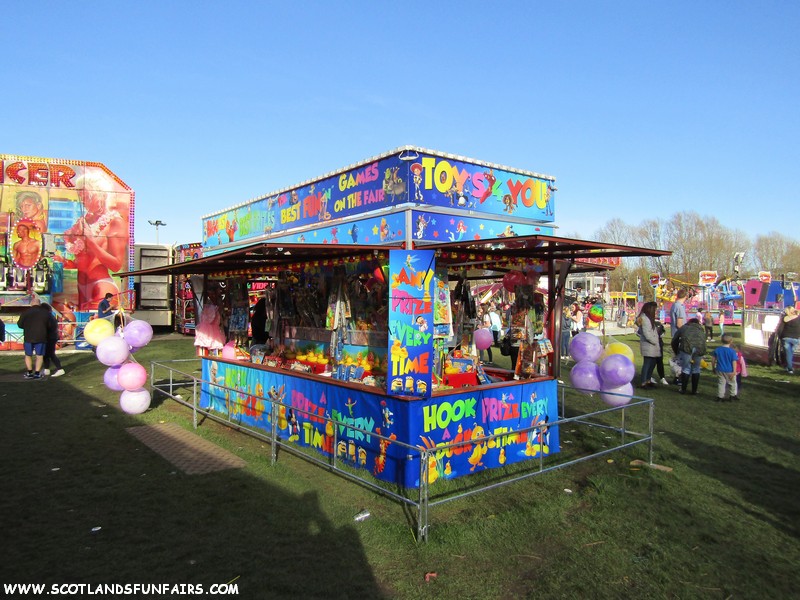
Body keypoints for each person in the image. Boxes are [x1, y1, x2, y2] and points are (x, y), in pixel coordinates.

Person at [63, 173, 128, 310]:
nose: (83, 202)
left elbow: (116, 265)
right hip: (81, 286)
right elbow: (81, 256)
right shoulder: (83, 221)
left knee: (97, 327)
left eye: (86, 197)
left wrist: (91, 242)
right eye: (81, 198)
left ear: (101, 194)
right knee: (81, 327)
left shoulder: (114, 222)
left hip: (101, 285)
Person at [671, 317, 706, 395]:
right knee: (696, 369)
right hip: (699, 348)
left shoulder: (684, 327)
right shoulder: (701, 329)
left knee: (686, 368)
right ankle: (694, 390)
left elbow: (674, 340)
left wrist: (676, 351)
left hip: (687, 348)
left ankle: (683, 389)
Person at [18, 296, 50, 379]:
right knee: (39, 355)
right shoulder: (45, 313)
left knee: (28, 355)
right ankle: (37, 373)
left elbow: (20, 325)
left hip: (28, 337)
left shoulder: (25, 313)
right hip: (41, 337)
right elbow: (49, 325)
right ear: (39, 304)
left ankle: (29, 372)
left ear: (31, 304)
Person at [636, 301, 661, 389]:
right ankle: (643, 382)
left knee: (652, 363)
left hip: (651, 345)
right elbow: (647, 334)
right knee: (647, 363)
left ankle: (648, 380)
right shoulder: (645, 319)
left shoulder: (648, 318)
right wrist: (655, 341)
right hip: (649, 344)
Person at [40, 303, 65, 377]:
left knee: (50, 354)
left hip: (49, 337)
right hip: (52, 337)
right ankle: (46, 369)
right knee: (46, 354)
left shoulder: (48, 317)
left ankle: (60, 369)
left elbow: (48, 327)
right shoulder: (51, 316)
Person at [711, 333, 738, 401]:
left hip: (720, 369)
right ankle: (732, 395)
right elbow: (734, 361)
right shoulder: (732, 351)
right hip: (730, 370)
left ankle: (720, 396)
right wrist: (734, 371)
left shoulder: (717, 350)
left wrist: (713, 367)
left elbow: (713, 360)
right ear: (731, 341)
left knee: (721, 383)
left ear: (721, 340)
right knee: (732, 383)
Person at [777, 306, 800, 375]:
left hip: (786, 337)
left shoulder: (785, 319)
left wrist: (780, 336)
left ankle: (789, 368)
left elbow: (780, 328)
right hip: (796, 338)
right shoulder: (798, 318)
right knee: (790, 354)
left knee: (788, 354)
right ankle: (788, 367)